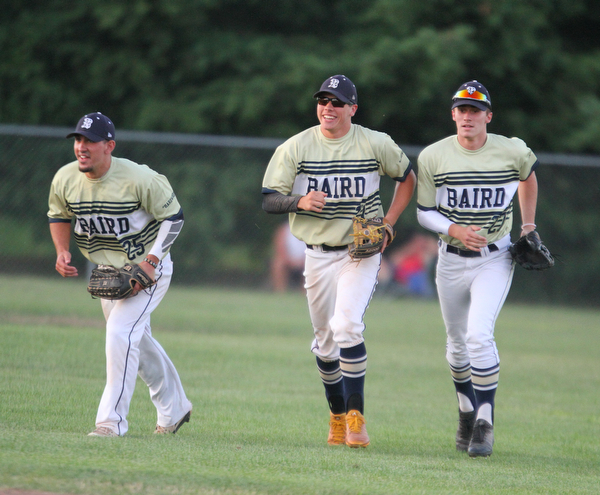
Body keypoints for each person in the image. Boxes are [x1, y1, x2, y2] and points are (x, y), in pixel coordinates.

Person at [262, 75, 416, 448]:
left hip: (358, 253)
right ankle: (335, 416)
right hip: (316, 256)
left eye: (337, 102)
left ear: (353, 109)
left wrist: (389, 224)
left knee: (346, 326)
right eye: (323, 100)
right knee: (325, 344)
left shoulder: (374, 142)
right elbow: (268, 199)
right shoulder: (296, 146)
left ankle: (356, 416)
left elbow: (407, 178)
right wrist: (299, 202)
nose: (328, 107)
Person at [48, 112, 193, 437]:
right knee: (135, 341)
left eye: (90, 141)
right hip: (108, 272)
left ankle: (110, 423)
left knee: (119, 334)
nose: (81, 147)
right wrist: (61, 250)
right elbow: (58, 215)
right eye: (78, 140)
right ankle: (175, 408)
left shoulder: (140, 179)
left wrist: (152, 262)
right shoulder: (65, 179)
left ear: (109, 145)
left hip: (149, 270)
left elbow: (175, 218)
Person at [416, 80, 540, 457]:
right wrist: (453, 229)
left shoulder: (511, 149)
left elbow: (528, 177)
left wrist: (529, 225)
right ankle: (466, 412)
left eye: (475, 110)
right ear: (453, 114)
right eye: (461, 109)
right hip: (451, 259)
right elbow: (424, 212)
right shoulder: (434, 156)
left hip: (494, 257)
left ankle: (485, 422)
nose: (467, 116)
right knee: (456, 345)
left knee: (478, 337)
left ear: (489, 115)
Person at [270, 222, 306, 292]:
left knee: (311, 264)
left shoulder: (311, 230)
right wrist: (291, 261)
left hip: (306, 260)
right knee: (278, 263)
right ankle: (280, 292)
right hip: (288, 259)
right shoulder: (284, 230)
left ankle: (305, 293)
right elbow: (280, 249)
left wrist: (302, 261)